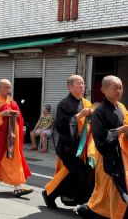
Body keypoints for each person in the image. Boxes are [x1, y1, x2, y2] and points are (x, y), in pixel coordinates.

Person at [78, 75, 128, 219]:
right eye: (115, 87)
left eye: (121, 87)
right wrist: (120, 131)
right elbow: (100, 138)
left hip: (121, 156)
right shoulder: (99, 112)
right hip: (107, 157)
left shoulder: (120, 108)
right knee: (115, 191)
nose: (119, 90)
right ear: (104, 90)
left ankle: (92, 211)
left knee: (112, 193)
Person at [42, 75, 94, 209]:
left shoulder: (86, 103)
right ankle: (49, 193)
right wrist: (79, 115)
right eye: (79, 84)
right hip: (69, 147)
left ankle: (82, 201)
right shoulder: (64, 104)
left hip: (84, 147)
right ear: (70, 87)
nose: (82, 86)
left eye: (83, 84)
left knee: (82, 174)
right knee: (71, 173)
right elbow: (61, 126)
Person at [0, 79, 33, 197]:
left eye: (10, 87)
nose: (9, 90)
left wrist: (21, 125)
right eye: (6, 87)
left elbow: (19, 117)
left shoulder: (12, 102)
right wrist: (1, 114)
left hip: (12, 138)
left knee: (15, 161)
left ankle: (18, 187)